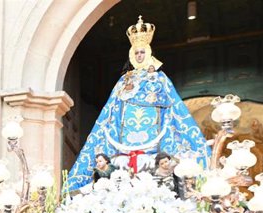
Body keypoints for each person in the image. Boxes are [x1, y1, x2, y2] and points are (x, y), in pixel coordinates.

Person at [65, 16, 209, 193]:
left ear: (148, 53)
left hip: (154, 138)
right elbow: (112, 111)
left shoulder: (159, 78)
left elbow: (171, 105)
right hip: (125, 141)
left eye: (142, 52)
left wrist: (149, 95)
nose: (139, 56)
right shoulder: (123, 81)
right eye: (136, 53)